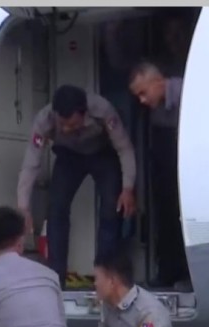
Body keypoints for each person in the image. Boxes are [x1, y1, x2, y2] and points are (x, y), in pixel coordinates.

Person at [18, 84, 137, 289]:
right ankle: (56, 278)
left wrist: (128, 188)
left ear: (84, 114)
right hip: (68, 156)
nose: (65, 129)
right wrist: (23, 206)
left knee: (111, 210)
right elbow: (31, 163)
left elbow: (124, 147)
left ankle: (105, 275)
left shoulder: (102, 109)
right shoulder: (44, 120)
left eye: (72, 124)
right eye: (62, 124)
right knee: (56, 210)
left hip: (102, 154)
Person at [127, 59, 192, 291]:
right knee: (167, 216)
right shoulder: (156, 111)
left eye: (143, 93)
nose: (142, 100)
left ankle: (191, 274)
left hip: (191, 165)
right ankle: (168, 272)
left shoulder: (190, 92)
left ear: (158, 82)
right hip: (169, 167)